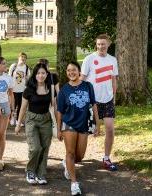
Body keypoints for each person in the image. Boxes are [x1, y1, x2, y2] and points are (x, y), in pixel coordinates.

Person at [57, 61, 100, 195]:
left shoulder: (88, 86)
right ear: (67, 73)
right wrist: (59, 129)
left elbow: (93, 105)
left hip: (84, 124)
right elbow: (59, 111)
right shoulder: (64, 90)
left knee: (79, 156)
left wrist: (98, 124)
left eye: (74, 70)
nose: (71, 73)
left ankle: (67, 163)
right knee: (70, 153)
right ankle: (74, 183)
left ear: (79, 71)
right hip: (68, 124)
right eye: (69, 70)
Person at [81, 34, 119, 171]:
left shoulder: (113, 60)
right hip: (92, 101)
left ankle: (106, 158)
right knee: (85, 131)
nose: (101, 46)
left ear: (108, 44)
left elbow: (114, 80)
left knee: (110, 128)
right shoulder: (89, 59)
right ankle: (75, 156)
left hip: (107, 100)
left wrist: (114, 98)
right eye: (98, 44)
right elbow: (82, 79)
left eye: (103, 44)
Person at [15, 63, 55, 185]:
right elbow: (22, 108)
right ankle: (30, 170)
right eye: (38, 73)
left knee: (44, 148)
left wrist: (58, 124)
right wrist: (18, 124)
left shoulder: (50, 88)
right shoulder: (29, 90)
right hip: (32, 119)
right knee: (35, 148)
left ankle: (41, 173)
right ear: (35, 75)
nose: (41, 75)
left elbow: (54, 106)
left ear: (47, 74)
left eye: (43, 73)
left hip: (46, 120)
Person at [8, 52, 30, 126]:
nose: (23, 59)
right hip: (13, 89)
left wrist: (27, 79)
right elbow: (9, 77)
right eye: (22, 57)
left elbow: (28, 78)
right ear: (18, 58)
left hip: (22, 90)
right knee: (13, 105)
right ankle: (11, 119)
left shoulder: (26, 68)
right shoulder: (13, 66)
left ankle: (18, 120)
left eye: (24, 57)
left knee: (20, 106)